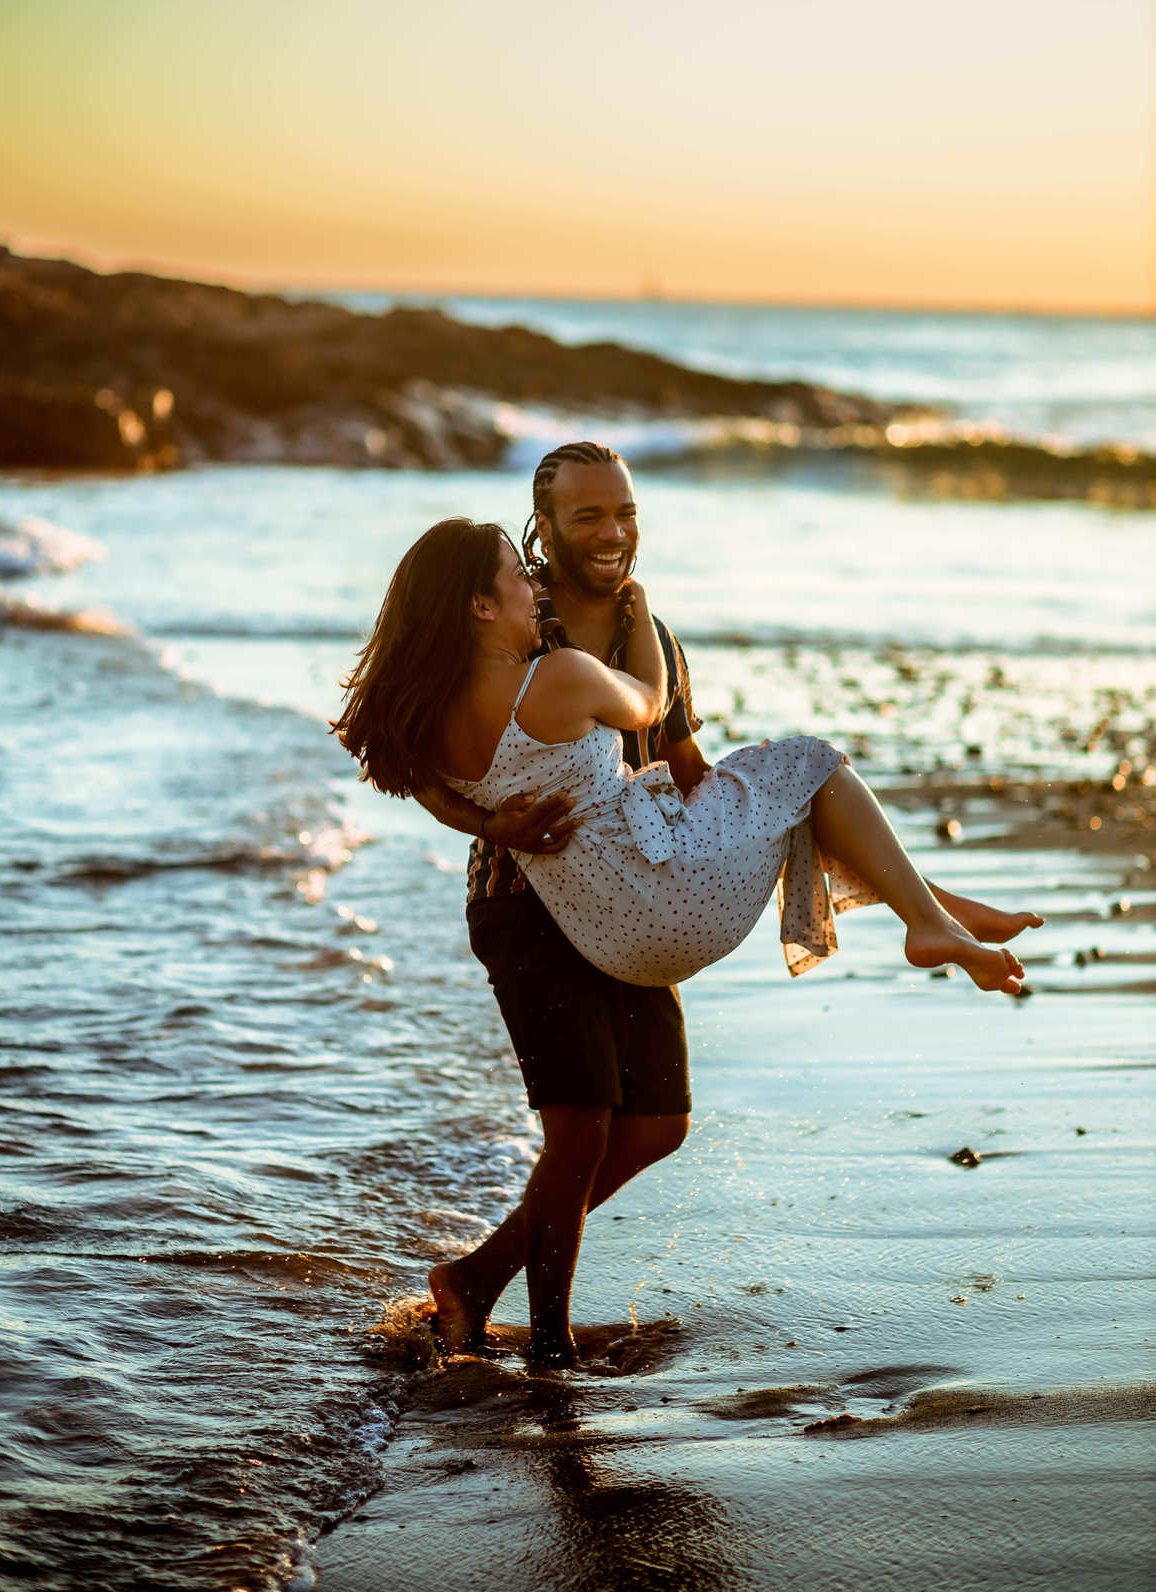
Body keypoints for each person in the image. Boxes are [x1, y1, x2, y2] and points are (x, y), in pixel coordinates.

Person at [335, 449, 1041, 1363]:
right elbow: (427, 763)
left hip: (636, 887)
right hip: (531, 909)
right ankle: (548, 1346)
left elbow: (685, 762)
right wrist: (490, 820)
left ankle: (477, 1277)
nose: (613, 531)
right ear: (540, 529)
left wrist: (719, 797)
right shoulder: (516, 636)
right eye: (587, 515)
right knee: (581, 1131)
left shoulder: (653, 633)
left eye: (625, 512)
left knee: (656, 1127)